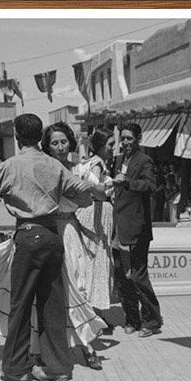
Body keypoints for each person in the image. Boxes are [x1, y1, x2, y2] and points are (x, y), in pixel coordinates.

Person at [0, 112, 105, 381]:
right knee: (52, 304)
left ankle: (16, 370)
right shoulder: (53, 166)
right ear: (40, 137)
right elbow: (83, 192)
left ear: (17, 136)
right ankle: (58, 367)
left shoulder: (11, 166)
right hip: (53, 236)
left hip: (27, 237)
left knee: (22, 305)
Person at [41, 121, 108, 370]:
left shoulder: (80, 169)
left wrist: (92, 186)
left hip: (69, 230)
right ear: (47, 147)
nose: (59, 147)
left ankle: (87, 346)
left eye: (63, 142)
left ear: (70, 143)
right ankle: (50, 347)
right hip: (47, 228)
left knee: (77, 286)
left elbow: (98, 193)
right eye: (54, 143)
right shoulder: (44, 169)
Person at [112, 123, 163, 337]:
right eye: (122, 138)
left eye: (129, 139)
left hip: (137, 227)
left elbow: (151, 186)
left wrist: (129, 182)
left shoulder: (145, 161)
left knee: (138, 276)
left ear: (139, 139)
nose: (125, 143)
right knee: (121, 277)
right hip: (119, 226)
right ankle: (131, 318)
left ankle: (152, 320)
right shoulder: (118, 160)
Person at [73, 128, 116, 316]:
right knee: (97, 260)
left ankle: (90, 310)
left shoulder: (88, 163)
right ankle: (95, 311)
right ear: (100, 146)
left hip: (88, 211)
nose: (113, 149)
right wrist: (108, 187)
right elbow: (96, 188)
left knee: (90, 260)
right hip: (97, 211)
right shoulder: (97, 163)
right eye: (111, 145)